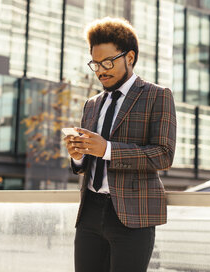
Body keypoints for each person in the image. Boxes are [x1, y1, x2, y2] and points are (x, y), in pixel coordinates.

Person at [63, 17, 177, 272]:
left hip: (133, 217)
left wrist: (108, 150)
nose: (101, 70)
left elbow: (164, 155)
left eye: (107, 62)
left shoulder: (158, 96)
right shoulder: (92, 104)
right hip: (90, 213)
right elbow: (86, 163)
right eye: (95, 63)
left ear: (130, 57)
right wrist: (78, 155)